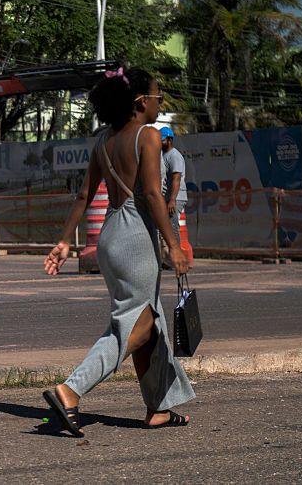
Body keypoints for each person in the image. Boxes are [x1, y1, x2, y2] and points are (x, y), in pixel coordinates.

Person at [42, 67, 194, 437]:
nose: (161, 103)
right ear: (141, 102)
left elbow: (84, 196)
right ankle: (71, 390)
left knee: (148, 321)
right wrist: (173, 245)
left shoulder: (103, 141)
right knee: (132, 324)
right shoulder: (149, 136)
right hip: (136, 236)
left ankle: (158, 408)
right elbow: (155, 195)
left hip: (110, 234)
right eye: (159, 97)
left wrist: (64, 242)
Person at [160, 127, 187, 248]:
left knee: (172, 227)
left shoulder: (174, 156)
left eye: (162, 140)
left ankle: (177, 256)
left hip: (175, 198)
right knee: (165, 227)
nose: (160, 142)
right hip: (167, 197)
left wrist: (172, 200)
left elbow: (176, 179)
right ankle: (167, 258)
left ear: (170, 140)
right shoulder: (163, 155)